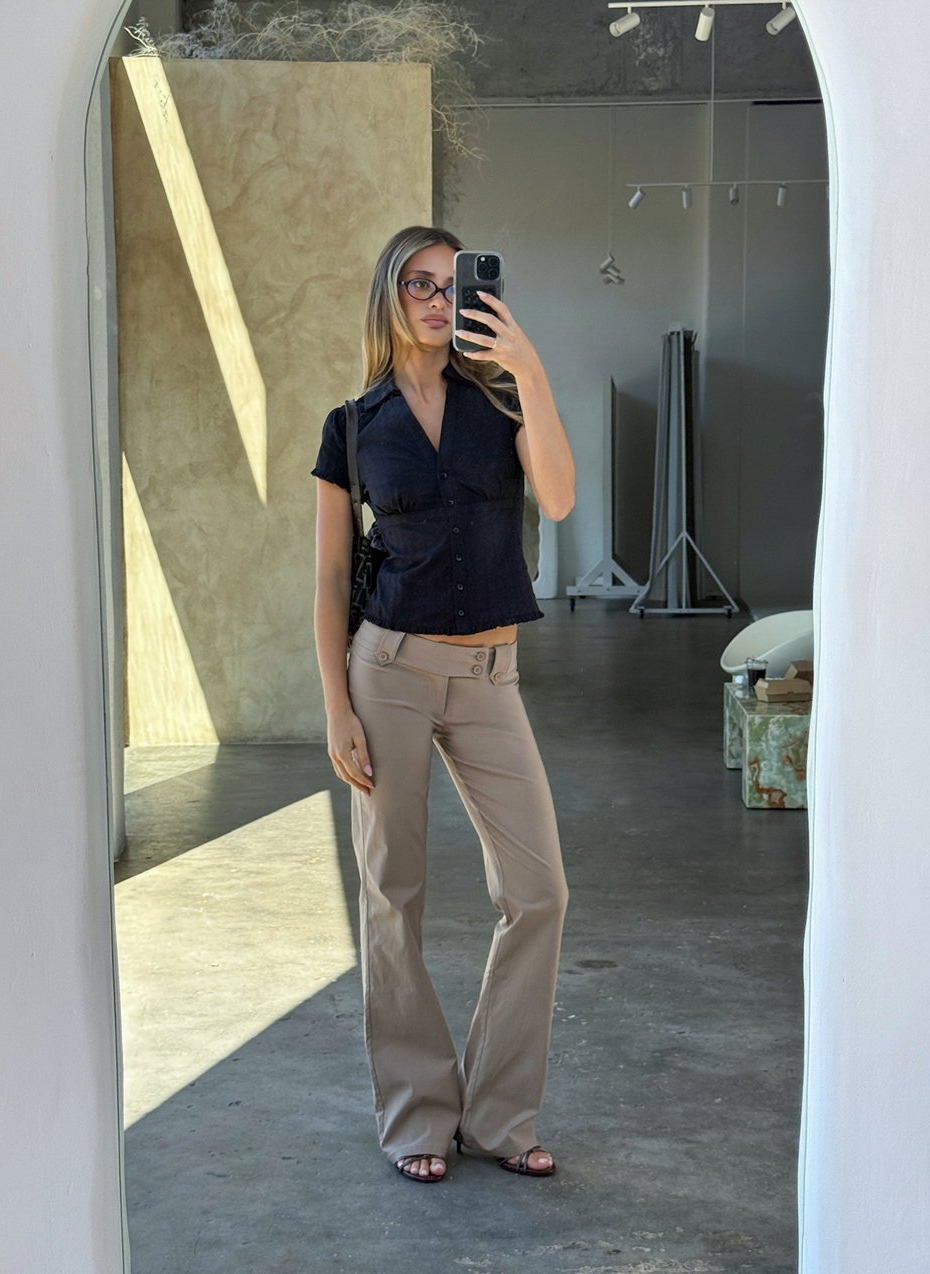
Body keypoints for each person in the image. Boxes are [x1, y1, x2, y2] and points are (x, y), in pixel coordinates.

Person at [311, 225, 574, 1184]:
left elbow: (558, 496)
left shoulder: (500, 401)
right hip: (388, 671)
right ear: (390, 295)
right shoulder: (352, 424)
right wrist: (336, 705)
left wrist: (531, 371)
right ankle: (420, 1114)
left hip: (490, 674)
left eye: (452, 284)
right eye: (419, 283)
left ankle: (501, 1116)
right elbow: (332, 576)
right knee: (393, 893)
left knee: (538, 890)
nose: (436, 298)